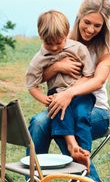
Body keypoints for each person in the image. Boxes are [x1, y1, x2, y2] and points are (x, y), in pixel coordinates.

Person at [28, 0, 110, 182]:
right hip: (63, 109)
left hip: (95, 111)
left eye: (97, 25)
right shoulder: (60, 39)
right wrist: (58, 67)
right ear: (78, 18)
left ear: (104, 26)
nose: (90, 29)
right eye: (87, 22)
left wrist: (69, 93)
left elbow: (98, 79)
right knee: (40, 122)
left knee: (60, 122)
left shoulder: (105, 49)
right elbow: (39, 75)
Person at [26, 10, 95, 170]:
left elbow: (89, 76)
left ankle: (84, 153)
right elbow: (32, 85)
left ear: (66, 33)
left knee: (81, 117)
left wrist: (71, 92)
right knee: (59, 110)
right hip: (56, 94)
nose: (56, 47)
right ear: (40, 36)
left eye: (60, 42)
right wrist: (44, 99)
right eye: (50, 44)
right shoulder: (38, 59)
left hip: (81, 94)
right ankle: (72, 146)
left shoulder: (78, 49)